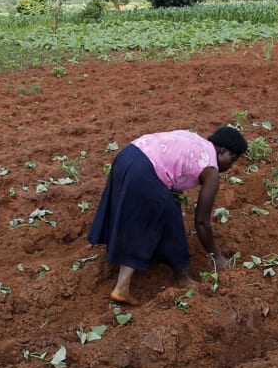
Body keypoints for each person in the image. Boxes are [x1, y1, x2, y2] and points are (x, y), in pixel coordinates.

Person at [88, 125, 247, 304]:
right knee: (167, 219)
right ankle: (181, 276)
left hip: (128, 156)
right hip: (144, 169)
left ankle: (123, 278)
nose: (230, 166)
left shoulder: (195, 139)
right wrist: (217, 256)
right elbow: (202, 222)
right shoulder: (211, 169)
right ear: (221, 150)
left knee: (152, 209)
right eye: (232, 159)